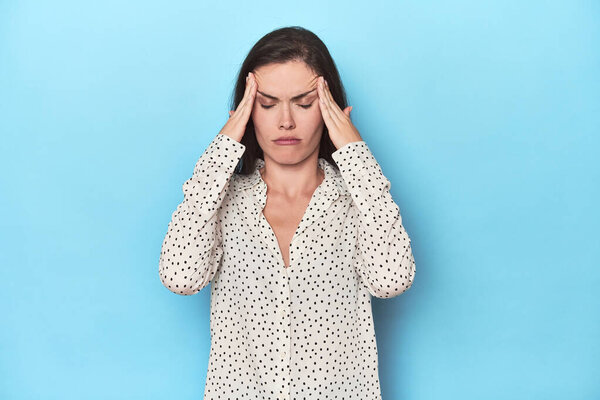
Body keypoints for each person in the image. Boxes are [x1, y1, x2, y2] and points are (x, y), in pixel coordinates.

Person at [158, 26, 416, 400]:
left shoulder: (356, 200)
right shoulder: (223, 202)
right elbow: (180, 276)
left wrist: (358, 156)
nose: (286, 122)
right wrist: (221, 152)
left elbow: (391, 280)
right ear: (244, 113)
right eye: (266, 104)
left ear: (332, 111)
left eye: (305, 103)